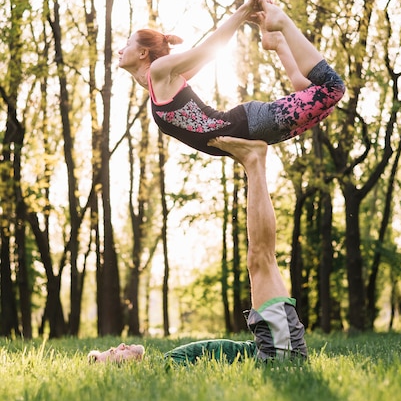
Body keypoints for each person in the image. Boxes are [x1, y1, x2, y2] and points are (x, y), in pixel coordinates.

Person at [89, 136, 308, 365]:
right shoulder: (168, 368)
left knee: (260, 259)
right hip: (278, 354)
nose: (121, 345)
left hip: (269, 346)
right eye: (115, 353)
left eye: (113, 347)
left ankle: (254, 162)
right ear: (121, 370)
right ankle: (253, 162)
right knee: (261, 258)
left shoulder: (165, 363)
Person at [118, 0, 345, 156]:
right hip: (252, 132)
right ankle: (277, 43)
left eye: (126, 44)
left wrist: (244, 12)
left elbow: (206, 51)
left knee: (333, 88)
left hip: (248, 124)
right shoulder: (158, 82)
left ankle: (282, 25)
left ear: (142, 52)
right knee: (322, 100)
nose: (120, 50)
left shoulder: (160, 70)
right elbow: (207, 58)